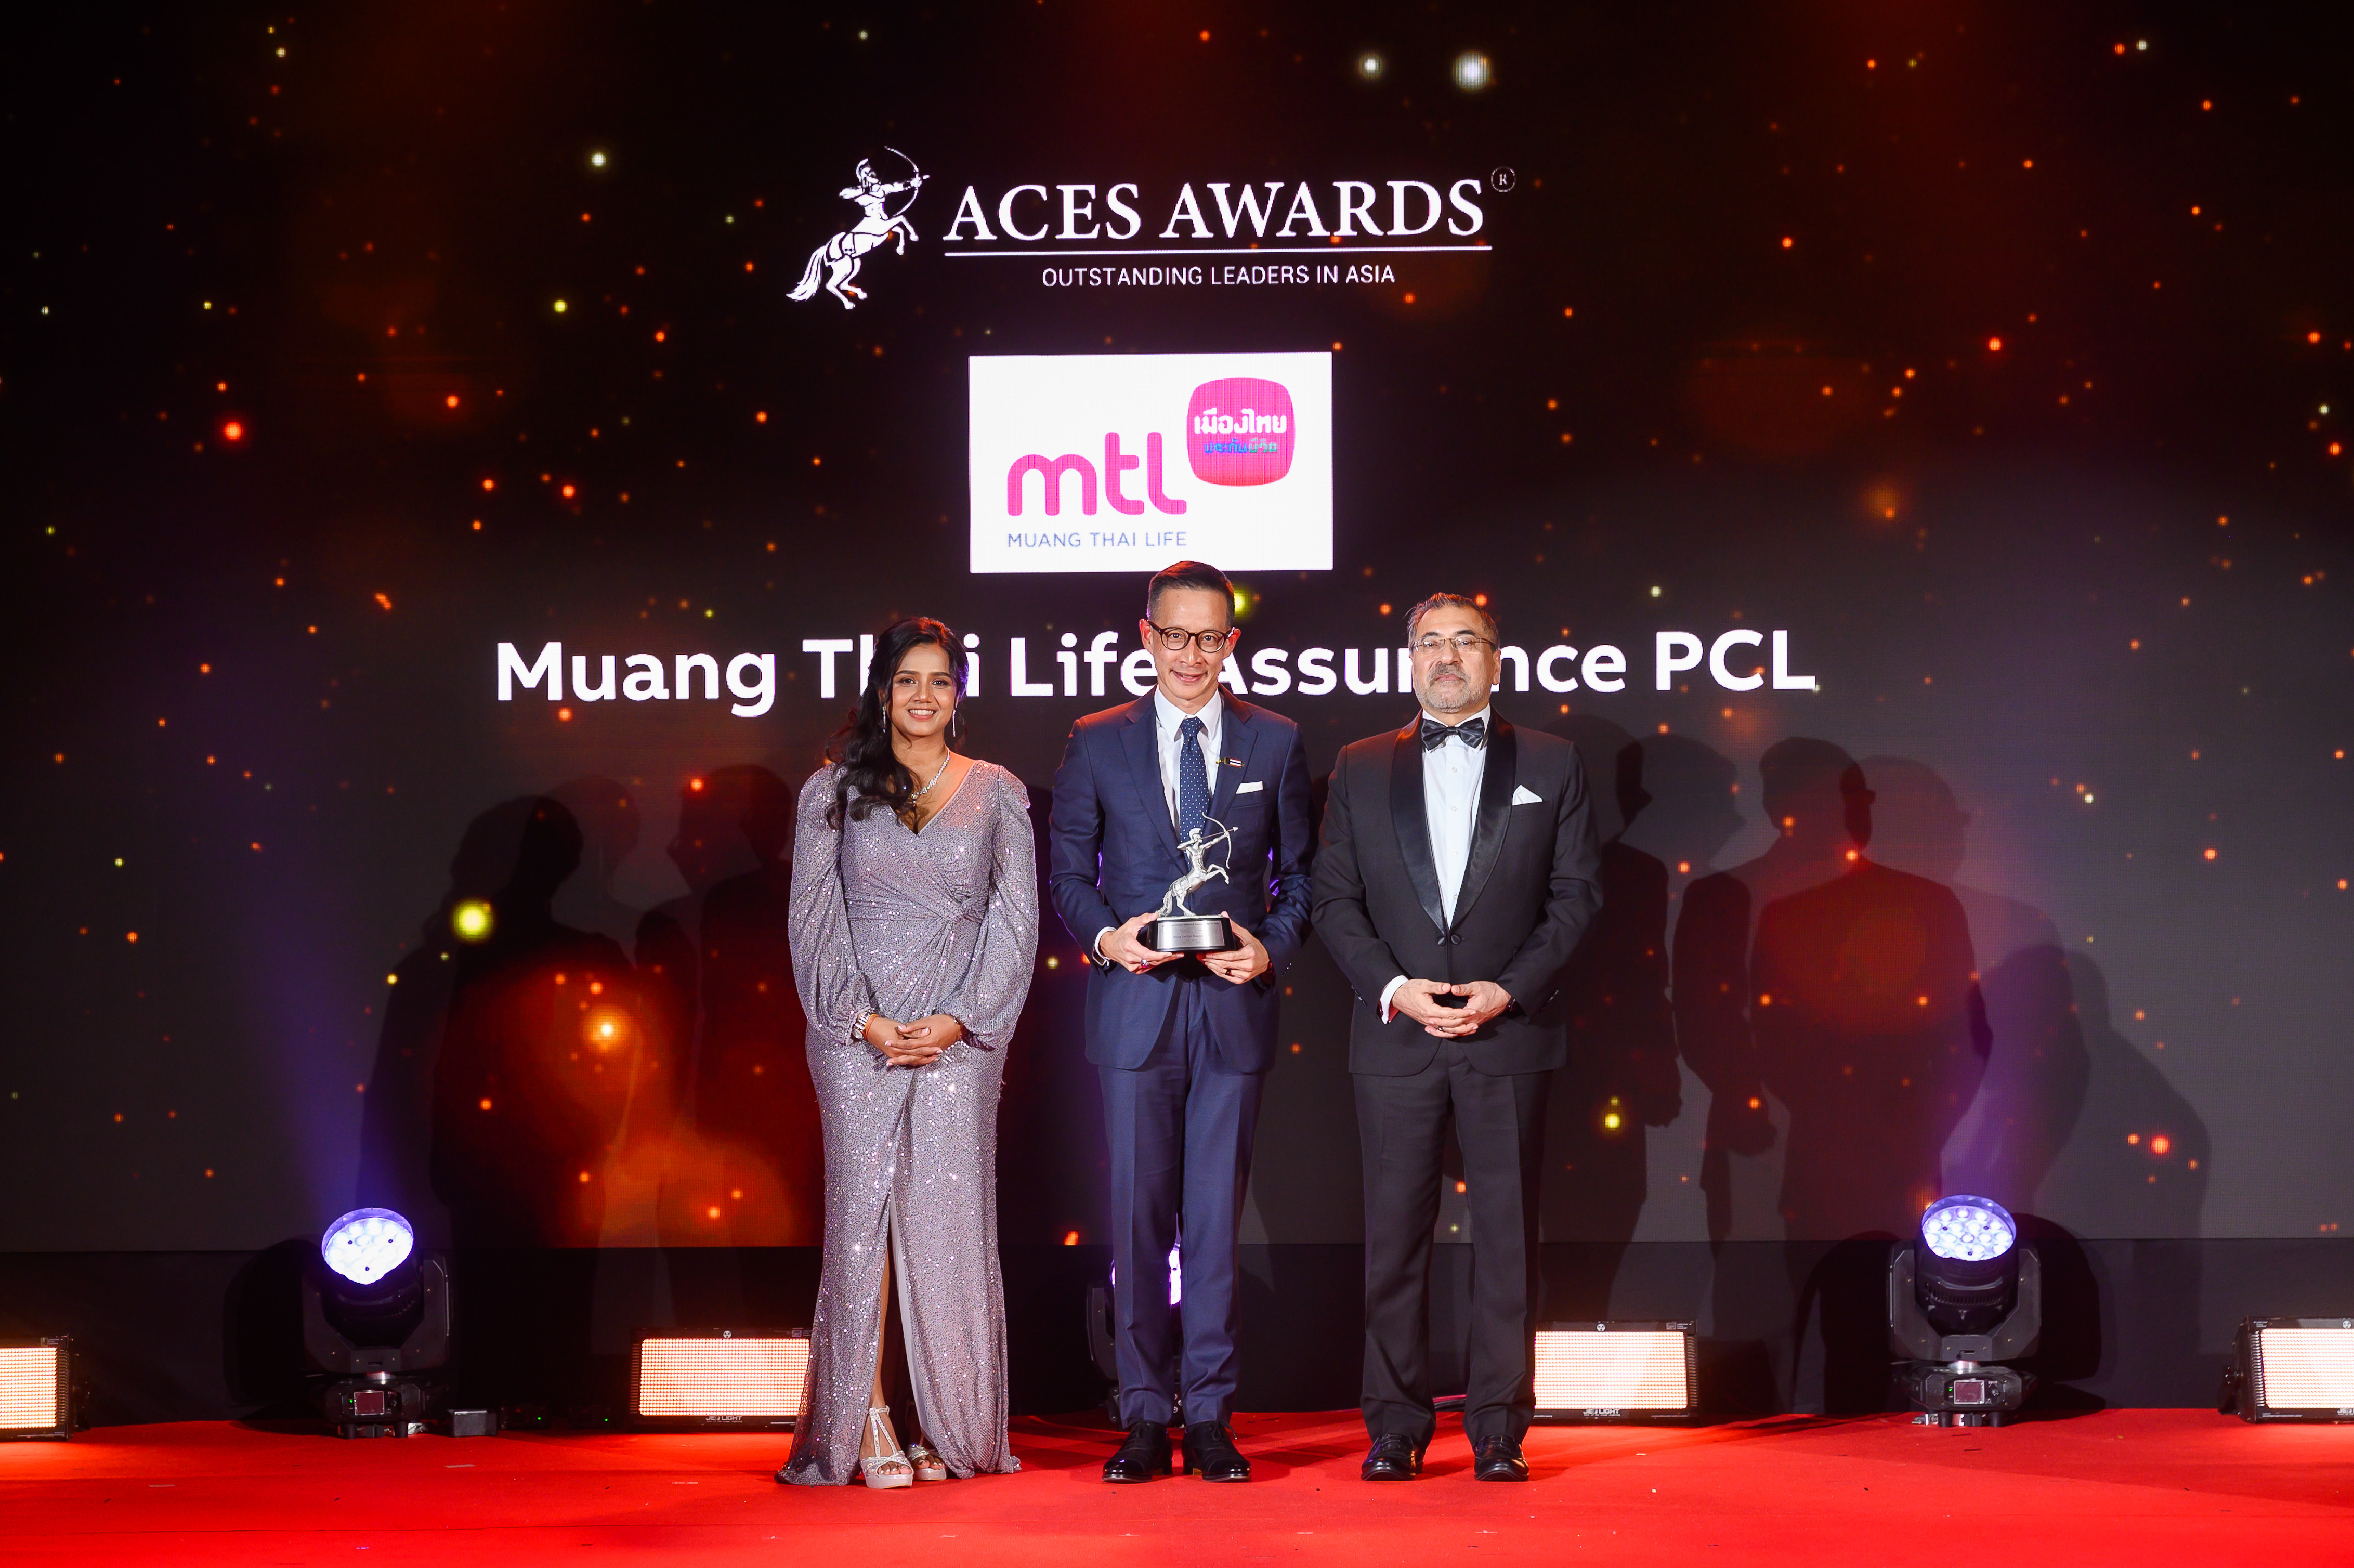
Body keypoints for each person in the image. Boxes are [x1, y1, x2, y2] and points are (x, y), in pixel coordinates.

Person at [1310, 593, 1602, 1483]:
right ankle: (1395, 1428)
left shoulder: (1553, 761)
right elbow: (1333, 899)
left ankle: (1499, 1429)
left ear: (1495, 660)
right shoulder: (1359, 766)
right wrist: (1397, 989)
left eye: (1464, 642)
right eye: (1429, 644)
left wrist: (1506, 991)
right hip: (1397, 1036)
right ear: (1409, 662)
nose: (1446, 658)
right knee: (1394, 1241)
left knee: (1506, 1241)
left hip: (1507, 1035)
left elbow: (1577, 895)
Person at [1048, 560, 1314, 1484]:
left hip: (1232, 1011)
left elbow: (1304, 878)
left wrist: (1268, 945)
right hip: (1134, 1011)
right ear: (1146, 636)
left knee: (1212, 1228)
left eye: (1211, 638)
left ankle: (1209, 1415)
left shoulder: (1276, 740)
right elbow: (1069, 876)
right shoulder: (1095, 740)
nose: (1192, 654)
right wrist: (1109, 939)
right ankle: (1143, 1414)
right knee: (1136, 1222)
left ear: (1231, 643)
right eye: (1176, 635)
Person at [779, 619, 1038, 1489]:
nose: (923, 697)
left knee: (951, 1225)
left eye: (939, 681)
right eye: (906, 681)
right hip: (860, 1036)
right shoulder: (832, 791)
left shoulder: (997, 790)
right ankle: (868, 1418)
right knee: (864, 1227)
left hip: (961, 1038)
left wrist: (963, 1018)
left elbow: (1015, 920)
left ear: (958, 694)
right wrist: (863, 1020)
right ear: (880, 693)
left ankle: (952, 1427)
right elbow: (813, 918)